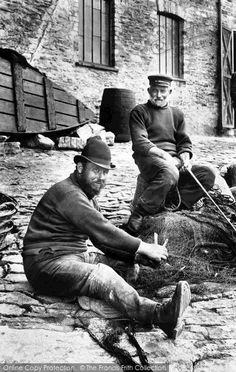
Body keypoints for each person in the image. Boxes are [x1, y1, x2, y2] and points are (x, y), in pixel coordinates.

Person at [22, 136, 191, 339]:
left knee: (127, 265)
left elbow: (100, 241)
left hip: (72, 257)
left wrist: (135, 257)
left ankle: (100, 296)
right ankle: (159, 315)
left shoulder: (87, 196)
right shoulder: (68, 194)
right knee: (102, 276)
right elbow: (104, 230)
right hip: (44, 265)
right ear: (80, 167)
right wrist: (143, 246)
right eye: (96, 170)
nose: (101, 177)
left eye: (105, 172)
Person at [126, 74, 216, 235]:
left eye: (163, 91)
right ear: (148, 90)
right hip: (149, 158)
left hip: (175, 161)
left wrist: (185, 158)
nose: (159, 95)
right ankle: (140, 212)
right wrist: (166, 157)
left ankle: (175, 209)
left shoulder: (177, 114)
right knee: (170, 171)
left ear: (170, 91)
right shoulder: (139, 111)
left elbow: (184, 142)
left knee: (207, 174)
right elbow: (140, 142)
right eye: (155, 90)